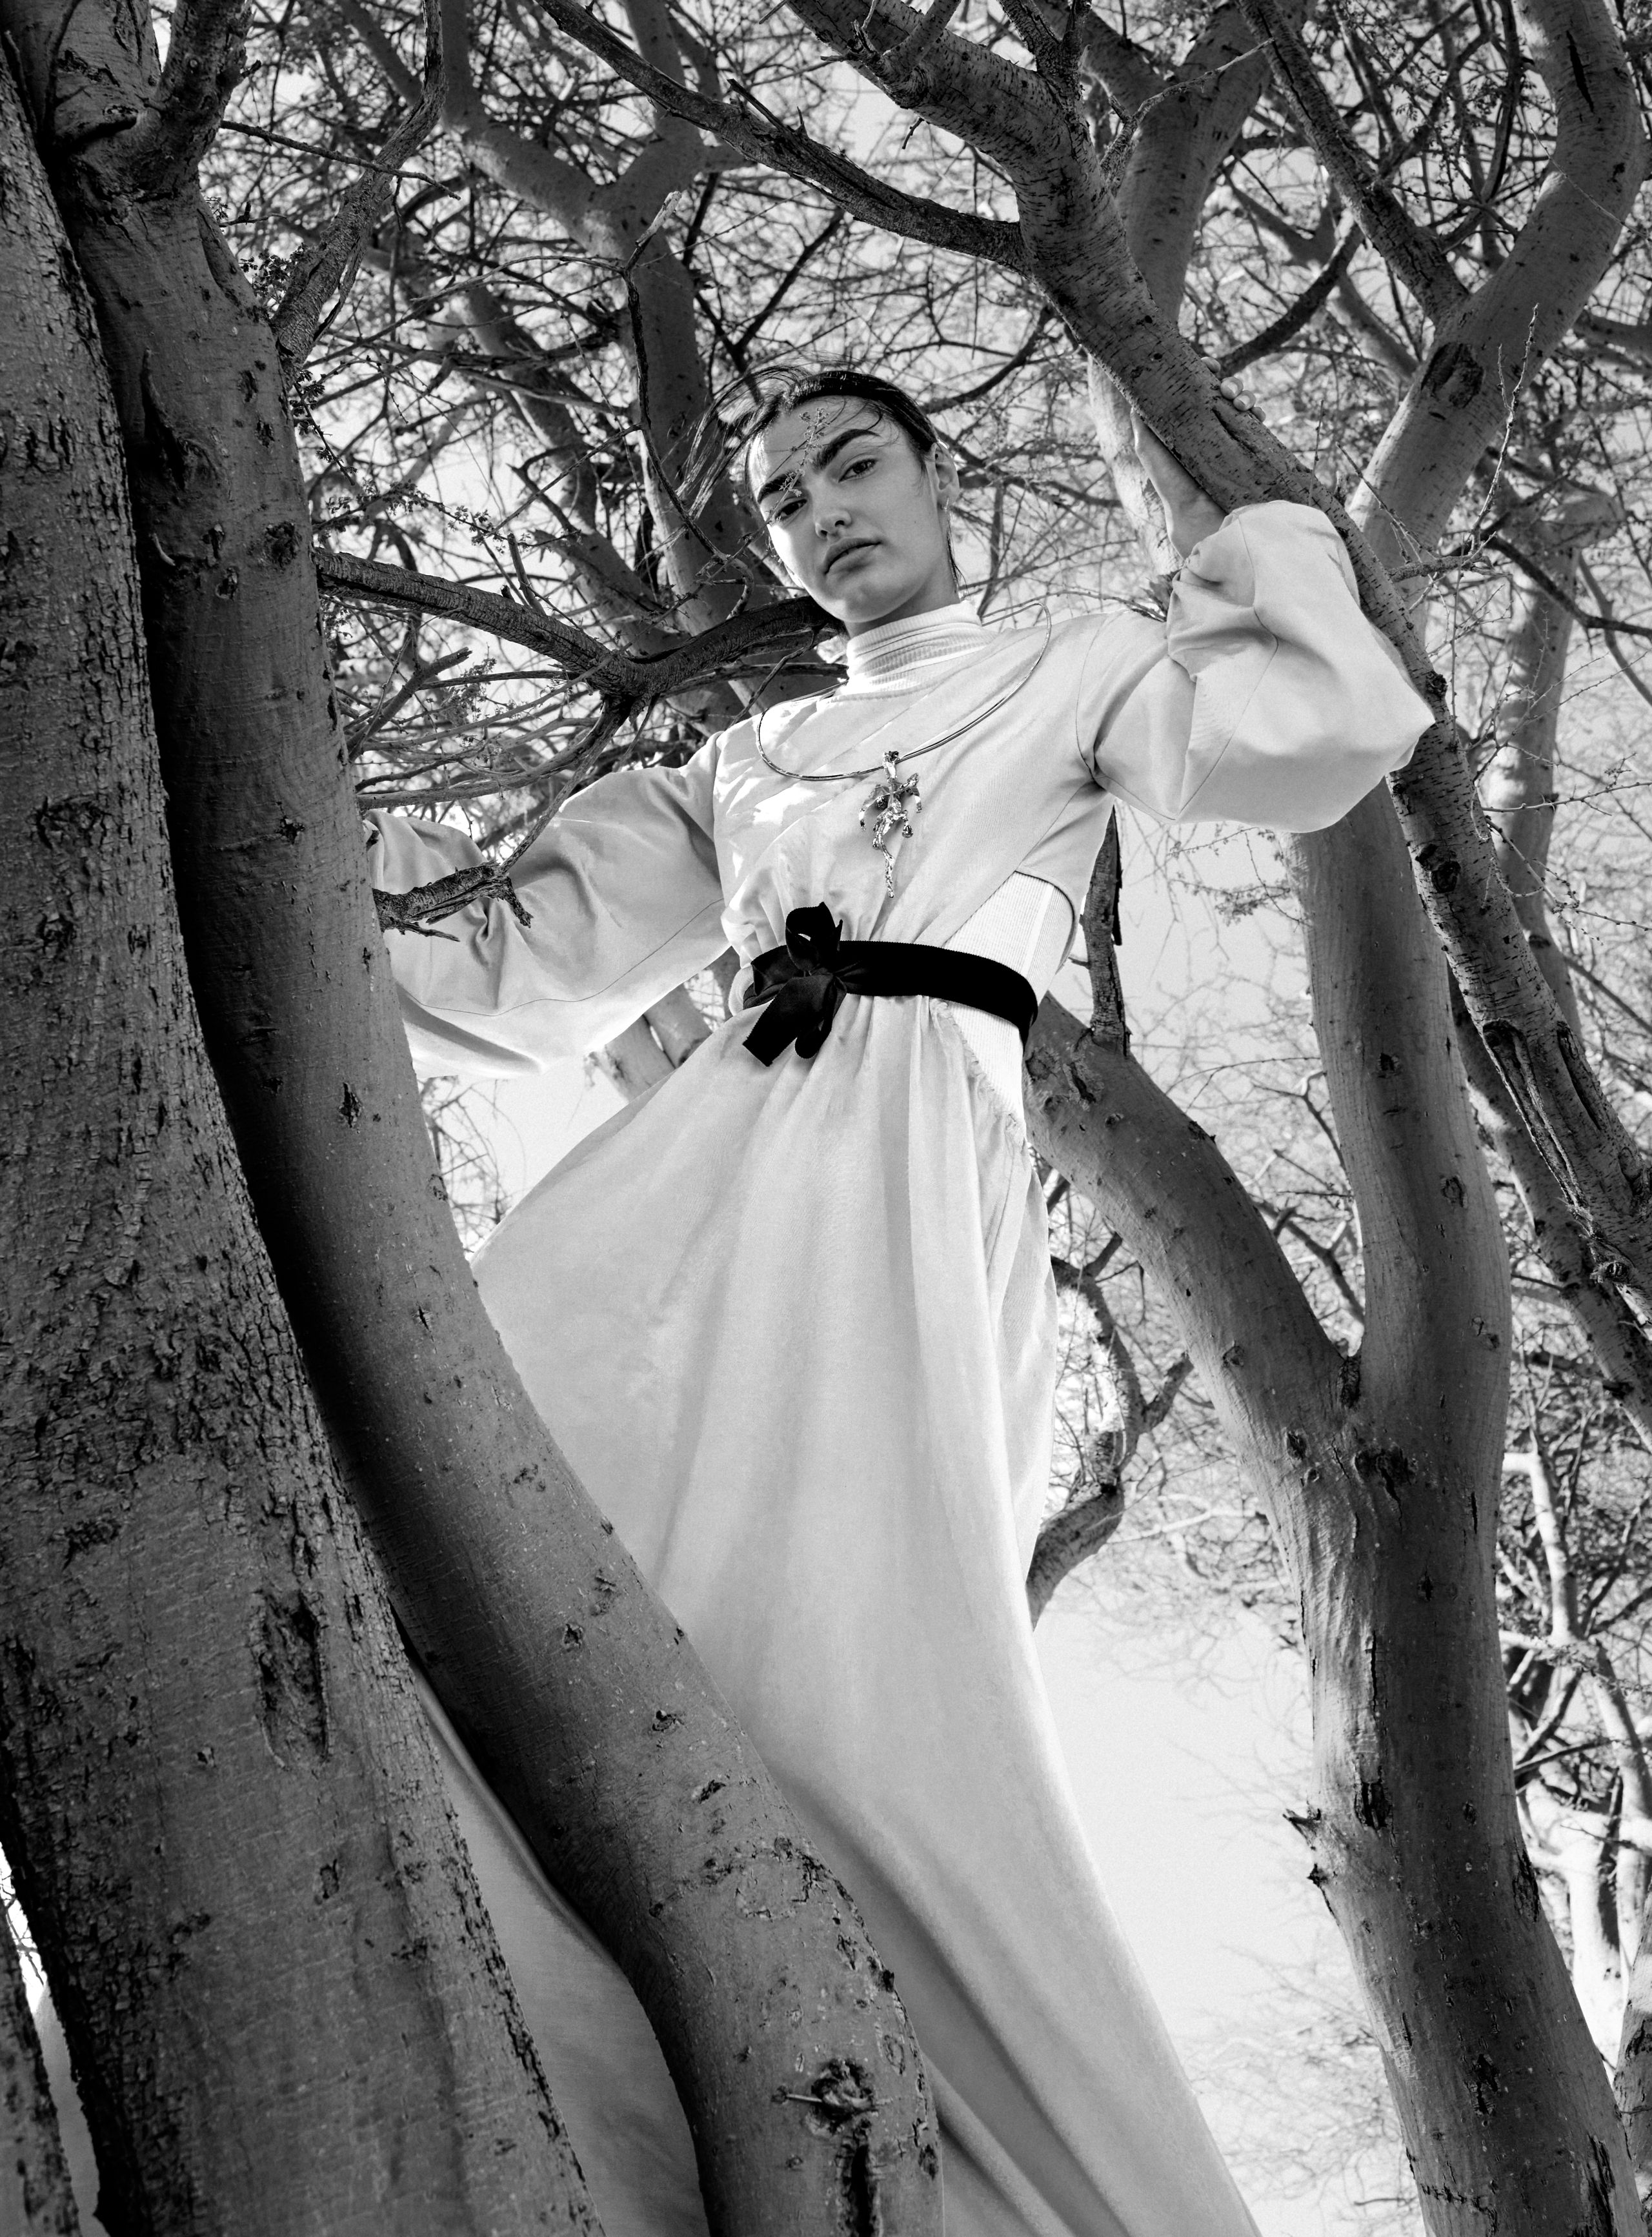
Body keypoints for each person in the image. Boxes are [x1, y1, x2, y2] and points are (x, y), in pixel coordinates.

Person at [367, 369, 1431, 2237]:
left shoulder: (1070, 666)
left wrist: (1254, 543)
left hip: (915, 1173)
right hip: (694, 1183)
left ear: (941, 480)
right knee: (484, 1506)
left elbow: (1307, 728)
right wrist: (293, 829)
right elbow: (503, 960)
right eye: (783, 499)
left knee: (862, 1674)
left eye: (855, 465)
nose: (823, 510)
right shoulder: (743, 762)